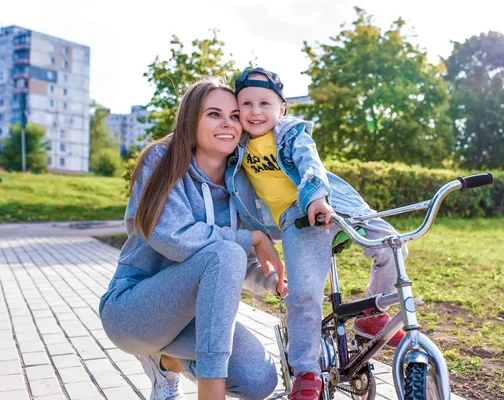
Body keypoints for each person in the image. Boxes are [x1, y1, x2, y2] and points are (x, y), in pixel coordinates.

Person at [225, 67, 409, 399]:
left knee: (392, 244)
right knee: (305, 293)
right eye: (246, 105)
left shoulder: (291, 134)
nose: (254, 112)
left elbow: (309, 165)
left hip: (328, 197)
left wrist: (316, 197)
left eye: (264, 104)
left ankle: (371, 317)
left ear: (282, 109)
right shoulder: (236, 148)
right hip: (296, 219)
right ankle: (307, 372)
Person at [99, 77, 284, 400]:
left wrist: (274, 282)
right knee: (226, 251)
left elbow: (237, 263)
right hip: (134, 312)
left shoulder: (238, 186)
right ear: (190, 121)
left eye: (234, 116)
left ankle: (164, 363)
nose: (228, 123)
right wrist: (251, 237)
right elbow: (173, 238)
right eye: (214, 114)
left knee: (259, 379)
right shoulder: (162, 161)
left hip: (195, 320)